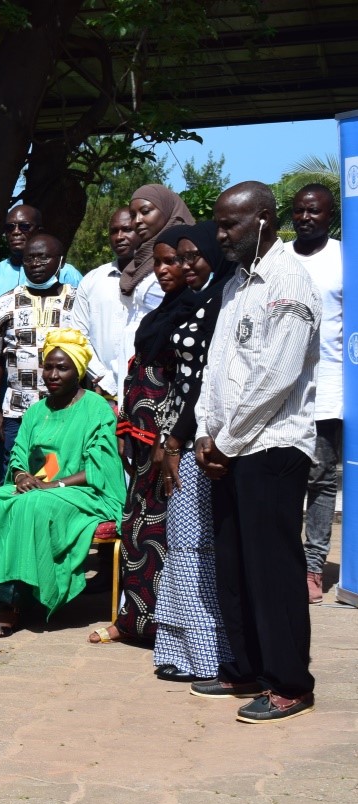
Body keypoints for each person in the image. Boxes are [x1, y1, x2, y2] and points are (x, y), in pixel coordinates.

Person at [191, 182, 322, 723]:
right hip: (228, 448)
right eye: (219, 224)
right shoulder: (235, 285)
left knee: (273, 573)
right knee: (235, 566)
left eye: (230, 225)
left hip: (272, 446)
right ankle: (246, 667)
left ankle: (290, 682)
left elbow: (276, 376)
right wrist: (205, 428)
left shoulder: (290, 282)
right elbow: (218, 367)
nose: (220, 235)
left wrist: (228, 438)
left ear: (264, 220)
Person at [0, 329, 125, 637]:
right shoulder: (35, 411)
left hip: (86, 493)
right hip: (40, 489)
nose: (53, 374)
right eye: (49, 366)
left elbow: (100, 468)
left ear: (79, 370)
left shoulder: (97, 409)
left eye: (63, 367)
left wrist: (52, 486)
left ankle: (12, 602)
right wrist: (20, 475)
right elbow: (18, 456)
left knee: (32, 504)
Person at [88, 227, 190, 647]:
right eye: (160, 262)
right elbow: (137, 375)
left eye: (174, 262)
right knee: (136, 531)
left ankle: (173, 629)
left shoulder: (200, 311)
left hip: (172, 443)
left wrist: (172, 440)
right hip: (142, 441)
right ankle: (133, 620)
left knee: (172, 537)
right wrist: (128, 429)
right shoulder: (159, 313)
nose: (165, 270)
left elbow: (189, 385)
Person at [147, 223, 236, 681]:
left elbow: (203, 381)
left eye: (191, 257)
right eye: (178, 259)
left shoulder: (224, 300)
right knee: (182, 547)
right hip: (180, 431)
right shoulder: (195, 300)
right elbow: (150, 346)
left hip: (203, 436)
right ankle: (181, 650)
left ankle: (211, 655)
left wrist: (176, 441)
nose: (184, 267)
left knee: (199, 549)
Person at [288, 183, 343, 604]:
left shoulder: (346, 258)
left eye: (315, 212)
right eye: (300, 211)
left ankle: (311, 568)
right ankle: (284, 561)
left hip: (329, 389)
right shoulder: (277, 258)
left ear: (330, 216)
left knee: (322, 480)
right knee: (285, 477)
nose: (306, 218)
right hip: (282, 389)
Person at [0, 233, 86, 464]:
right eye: (29, 258)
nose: (35, 264)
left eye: (43, 258)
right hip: (17, 413)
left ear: (61, 261)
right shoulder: (5, 303)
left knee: (60, 473)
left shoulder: (78, 301)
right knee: (16, 476)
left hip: (68, 411)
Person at [70, 208, 147, 398]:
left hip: (146, 387)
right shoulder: (92, 280)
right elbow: (79, 335)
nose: (119, 236)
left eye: (127, 229)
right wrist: (103, 377)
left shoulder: (156, 280)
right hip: (100, 390)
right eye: (114, 231)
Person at [0, 204, 83, 305]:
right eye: (9, 227)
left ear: (39, 231)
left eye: (24, 226)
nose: (16, 232)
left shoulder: (67, 274)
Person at [124, 185, 194, 314]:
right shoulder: (140, 259)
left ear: (167, 210)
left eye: (145, 211)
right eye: (133, 215)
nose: (137, 221)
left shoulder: (189, 254)